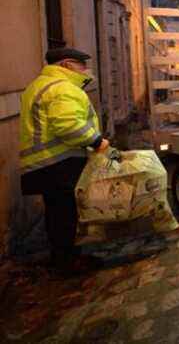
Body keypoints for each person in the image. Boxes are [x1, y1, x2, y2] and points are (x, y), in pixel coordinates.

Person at [19, 48, 110, 274]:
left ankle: (62, 256)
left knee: (56, 212)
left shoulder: (38, 85)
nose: (85, 70)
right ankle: (67, 264)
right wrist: (97, 141)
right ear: (68, 64)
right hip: (59, 162)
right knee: (66, 213)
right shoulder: (61, 88)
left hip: (43, 162)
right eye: (81, 65)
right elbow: (69, 125)